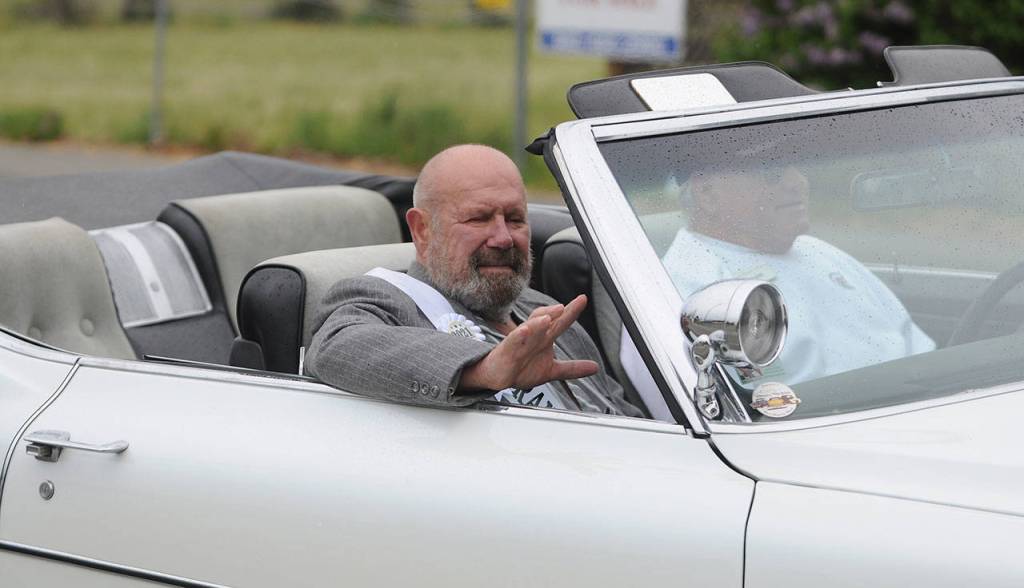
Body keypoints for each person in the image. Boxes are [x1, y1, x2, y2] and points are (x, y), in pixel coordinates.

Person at [306, 144, 642, 417]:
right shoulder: (382, 299)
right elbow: (334, 347)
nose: (503, 238)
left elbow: (626, 417)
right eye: (479, 219)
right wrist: (483, 370)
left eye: (515, 219)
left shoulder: (546, 312)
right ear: (422, 230)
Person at [623, 163, 935, 421]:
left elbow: (921, 354)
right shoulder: (677, 291)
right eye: (771, 173)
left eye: (798, 167)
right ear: (707, 193)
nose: (797, 183)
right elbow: (713, 427)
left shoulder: (820, 253)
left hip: (925, 412)